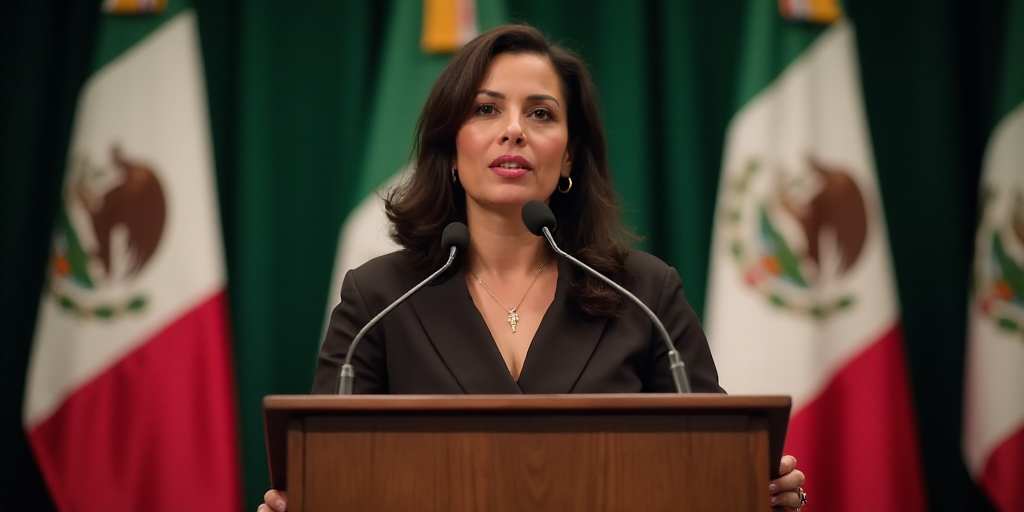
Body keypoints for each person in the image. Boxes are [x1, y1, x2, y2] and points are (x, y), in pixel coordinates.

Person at [259, 24, 807, 512]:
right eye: (486, 109)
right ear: (451, 148)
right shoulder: (379, 297)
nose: (514, 130)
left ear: (568, 155)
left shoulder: (645, 293)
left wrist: (757, 489)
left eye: (541, 113)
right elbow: (329, 470)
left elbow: (711, 461)